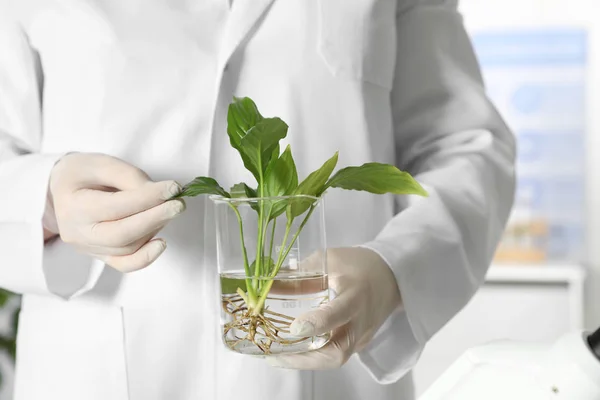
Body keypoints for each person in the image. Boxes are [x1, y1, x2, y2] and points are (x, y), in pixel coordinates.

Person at [0, 0, 515, 399]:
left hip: (330, 371)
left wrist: (394, 269)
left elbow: (466, 147)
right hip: (94, 372)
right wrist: (43, 197)